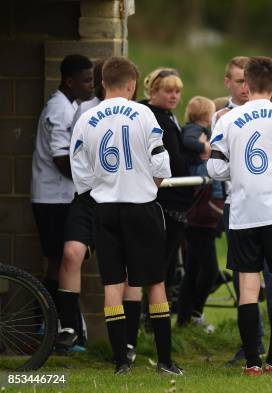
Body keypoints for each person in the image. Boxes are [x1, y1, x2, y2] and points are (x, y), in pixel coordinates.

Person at [71, 56, 183, 375]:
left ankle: (121, 362)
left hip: (105, 208)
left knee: (112, 283)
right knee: (156, 282)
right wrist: (146, 185)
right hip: (141, 206)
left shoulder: (86, 118)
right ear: (133, 85)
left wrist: (103, 187)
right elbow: (161, 164)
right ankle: (165, 361)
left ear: (103, 83)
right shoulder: (144, 113)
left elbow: (79, 170)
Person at [207, 56, 272, 375]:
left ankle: (252, 362)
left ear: (246, 85)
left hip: (244, 214)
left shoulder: (227, 119)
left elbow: (214, 168)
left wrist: (236, 169)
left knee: (248, 289)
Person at [213, 56, 272, 364]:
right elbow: (216, 166)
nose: (243, 87)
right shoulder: (221, 116)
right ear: (230, 82)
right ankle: (251, 345)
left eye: (245, 81)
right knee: (244, 280)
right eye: (238, 82)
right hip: (236, 205)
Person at [31, 54, 93, 307]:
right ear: (70, 82)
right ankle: (44, 322)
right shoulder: (59, 108)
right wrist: (91, 181)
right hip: (52, 198)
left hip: (60, 196)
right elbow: (60, 158)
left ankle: (53, 323)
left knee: (62, 261)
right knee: (58, 262)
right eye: (86, 81)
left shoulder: (70, 105)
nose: (91, 85)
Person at [55, 58, 106, 353]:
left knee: (121, 266)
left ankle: (124, 339)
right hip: (87, 195)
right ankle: (69, 325)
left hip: (118, 198)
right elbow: (76, 154)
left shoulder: (138, 112)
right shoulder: (85, 111)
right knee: (71, 253)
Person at [141, 68, 191, 305]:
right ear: (153, 91)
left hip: (177, 199)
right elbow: (171, 158)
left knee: (169, 264)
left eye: (177, 91)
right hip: (166, 200)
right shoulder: (154, 117)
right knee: (159, 264)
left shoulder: (168, 116)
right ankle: (150, 318)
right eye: (168, 91)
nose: (174, 96)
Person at [176, 96, 224, 330]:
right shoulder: (195, 131)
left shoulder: (196, 130)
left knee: (193, 269)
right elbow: (190, 141)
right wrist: (207, 147)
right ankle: (195, 313)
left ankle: (185, 319)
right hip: (201, 215)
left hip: (201, 215)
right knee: (210, 270)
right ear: (207, 116)